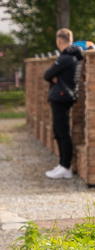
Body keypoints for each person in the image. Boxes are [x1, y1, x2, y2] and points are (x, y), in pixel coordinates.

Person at [44, 28, 83, 179]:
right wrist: (57, 77)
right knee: (59, 131)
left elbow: (47, 74)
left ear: (59, 41)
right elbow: (49, 75)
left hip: (61, 97)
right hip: (62, 96)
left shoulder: (65, 58)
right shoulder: (71, 56)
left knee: (63, 132)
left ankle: (66, 166)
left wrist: (56, 77)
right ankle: (62, 164)